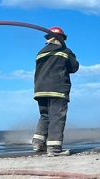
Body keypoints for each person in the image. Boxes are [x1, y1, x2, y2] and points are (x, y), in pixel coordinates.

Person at [32, 26, 79, 156]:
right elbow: (73, 67)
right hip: (57, 88)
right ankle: (54, 148)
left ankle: (38, 144)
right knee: (57, 117)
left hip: (40, 89)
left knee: (45, 116)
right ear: (62, 38)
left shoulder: (41, 52)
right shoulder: (65, 51)